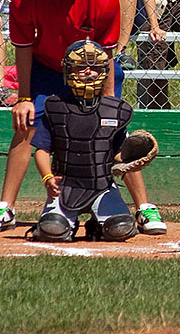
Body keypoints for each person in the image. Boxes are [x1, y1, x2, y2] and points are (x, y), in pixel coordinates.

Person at [0, 0, 166, 236]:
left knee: (111, 129)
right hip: (48, 67)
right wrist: (23, 98)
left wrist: (107, 110)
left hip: (93, 69)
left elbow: (106, 56)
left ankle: (144, 207)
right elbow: (23, 48)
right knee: (27, 121)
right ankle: (5, 206)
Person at [27, 40, 140, 242]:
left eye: (95, 68)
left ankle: (98, 224)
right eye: (81, 67)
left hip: (102, 185)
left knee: (120, 229)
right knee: (53, 230)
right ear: (68, 70)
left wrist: (132, 157)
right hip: (65, 185)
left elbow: (118, 154)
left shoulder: (115, 110)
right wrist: (47, 178)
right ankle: (65, 222)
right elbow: (42, 150)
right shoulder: (56, 107)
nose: (88, 72)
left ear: (105, 71)